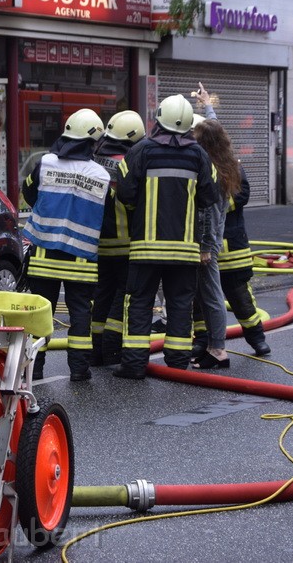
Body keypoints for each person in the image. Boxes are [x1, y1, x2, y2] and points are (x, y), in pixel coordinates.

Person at [114, 94, 219, 379]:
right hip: (184, 250)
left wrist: (139, 210)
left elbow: (124, 192)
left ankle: (134, 365)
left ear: (158, 118)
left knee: (139, 303)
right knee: (180, 305)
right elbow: (210, 195)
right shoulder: (199, 154)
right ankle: (177, 365)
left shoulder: (141, 150)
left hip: (145, 249)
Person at [22, 108, 110, 382]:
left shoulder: (46, 163)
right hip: (81, 259)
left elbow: (28, 192)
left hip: (44, 253)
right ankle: (79, 370)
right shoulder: (101, 175)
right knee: (80, 313)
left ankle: (34, 369)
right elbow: (104, 214)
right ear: (93, 141)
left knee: (40, 314)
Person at [193, 85, 271, 358]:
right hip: (212, 244)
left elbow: (243, 195)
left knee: (240, 297)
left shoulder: (230, 167)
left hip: (228, 246)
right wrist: (207, 106)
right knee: (200, 300)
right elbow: (214, 131)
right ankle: (201, 340)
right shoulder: (206, 164)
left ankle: (257, 338)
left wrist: (218, 202)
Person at [89, 110, 145, 367]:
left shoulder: (94, 161)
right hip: (125, 243)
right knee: (122, 296)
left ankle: (97, 349)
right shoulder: (129, 162)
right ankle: (112, 347)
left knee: (102, 294)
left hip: (98, 243)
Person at [189, 114, 236, 369]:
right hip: (211, 238)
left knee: (211, 295)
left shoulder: (210, 170)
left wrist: (205, 246)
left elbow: (206, 210)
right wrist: (208, 106)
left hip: (206, 243)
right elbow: (216, 127)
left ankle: (218, 350)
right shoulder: (222, 163)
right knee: (206, 294)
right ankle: (212, 346)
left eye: (196, 138)